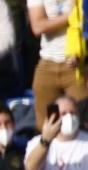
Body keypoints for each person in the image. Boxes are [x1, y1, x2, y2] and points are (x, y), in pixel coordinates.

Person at [27, 0, 86, 129]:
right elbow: (38, 27)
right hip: (47, 62)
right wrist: (73, 15)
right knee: (45, 125)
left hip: (79, 65)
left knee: (83, 121)